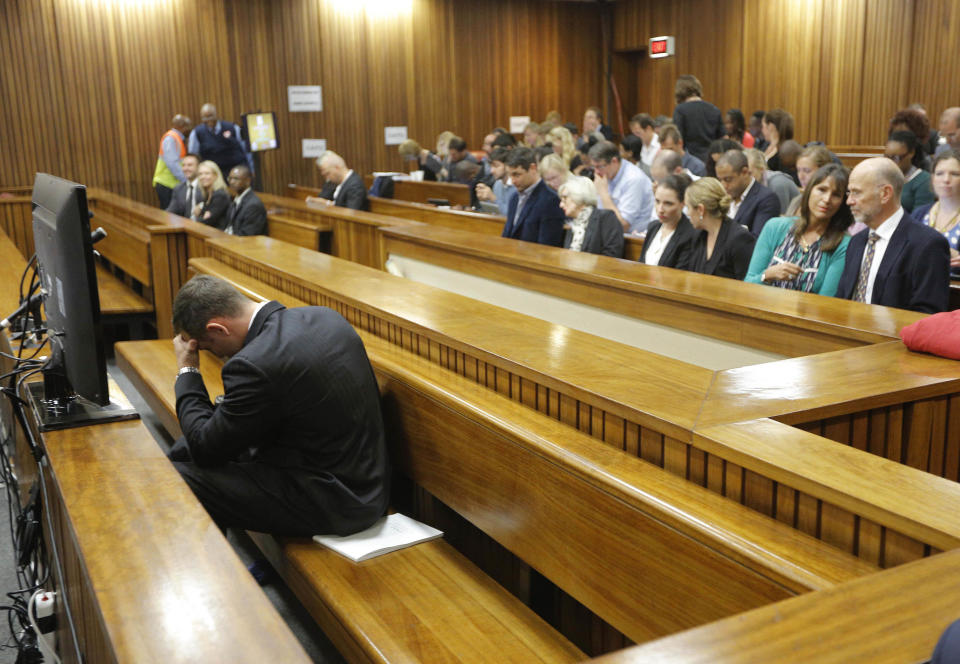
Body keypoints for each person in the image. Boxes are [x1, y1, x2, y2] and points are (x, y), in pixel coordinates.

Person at [168, 274, 390, 536]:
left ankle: (219, 574)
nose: (217, 354)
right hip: (364, 480)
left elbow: (207, 449)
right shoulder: (324, 316)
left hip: (332, 500)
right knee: (186, 448)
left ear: (218, 329)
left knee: (180, 478)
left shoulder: (254, 363)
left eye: (208, 346)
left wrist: (187, 371)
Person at [835, 157, 950, 313]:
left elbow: (928, 313)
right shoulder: (857, 241)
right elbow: (842, 299)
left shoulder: (927, 244)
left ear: (885, 194)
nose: (849, 201)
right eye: (849, 193)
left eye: (856, 192)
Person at [745, 163, 853, 296]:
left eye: (836, 195)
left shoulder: (843, 244)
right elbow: (748, 284)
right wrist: (768, 275)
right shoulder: (774, 227)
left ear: (843, 202)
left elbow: (825, 302)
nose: (827, 199)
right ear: (809, 191)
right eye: (822, 190)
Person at [682, 177, 756, 280]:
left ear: (700, 209)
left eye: (688, 207)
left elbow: (747, 284)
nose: (687, 213)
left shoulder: (739, 239)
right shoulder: (698, 235)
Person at [501, 147, 564, 246]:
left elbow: (547, 246)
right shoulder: (514, 198)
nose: (513, 181)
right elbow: (507, 235)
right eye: (510, 175)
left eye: (517, 175)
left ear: (533, 168)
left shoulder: (550, 200)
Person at [589, 140, 655, 234]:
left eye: (599, 167)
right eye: (593, 167)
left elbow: (622, 225)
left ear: (614, 161)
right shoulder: (606, 175)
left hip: (632, 240)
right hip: (608, 235)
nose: (596, 172)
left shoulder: (633, 179)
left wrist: (603, 194)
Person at [911, 149, 960, 274]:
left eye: (954, 174)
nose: (946, 179)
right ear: (932, 178)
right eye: (939, 174)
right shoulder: (919, 213)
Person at [714, 149, 781, 236]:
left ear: (745, 172)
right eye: (720, 180)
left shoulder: (767, 199)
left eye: (728, 179)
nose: (723, 185)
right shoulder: (721, 196)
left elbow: (758, 241)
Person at [557, 176, 624, 258]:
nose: (561, 205)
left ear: (578, 196)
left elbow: (612, 254)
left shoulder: (606, 218)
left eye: (565, 198)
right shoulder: (574, 224)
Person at [640, 174, 696, 268]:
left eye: (668, 204)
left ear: (683, 203)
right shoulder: (653, 227)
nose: (660, 209)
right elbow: (641, 264)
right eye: (657, 201)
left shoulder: (690, 234)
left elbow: (681, 274)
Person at [188, 103, 252, 180]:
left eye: (210, 116)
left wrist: (251, 168)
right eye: (204, 117)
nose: (208, 120)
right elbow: (194, 155)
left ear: (216, 115)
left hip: (235, 169)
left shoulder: (232, 127)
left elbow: (246, 149)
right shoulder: (197, 132)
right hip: (213, 173)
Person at [671, 75, 724, 164]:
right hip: (712, 162)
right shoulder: (714, 109)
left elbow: (678, 139)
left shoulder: (680, 110)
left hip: (690, 162)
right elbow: (722, 138)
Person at [885, 130, 935, 213]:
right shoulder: (882, 176)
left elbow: (920, 217)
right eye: (887, 157)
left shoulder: (923, 180)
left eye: (896, 158)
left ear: (911, 153)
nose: (890, 162)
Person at [153, 114, 192, 209]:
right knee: (170, 217)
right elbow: (172, 164)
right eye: (188, 126)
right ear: (181, 126)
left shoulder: (177, 138)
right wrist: (186, 181)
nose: (190, 129)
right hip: (167, 183)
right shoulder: (170, 138)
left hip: (172, 183)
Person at [744, 148, 799, 215]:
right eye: (742, 173)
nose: (745, 178)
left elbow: (781, 219)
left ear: (761, 169)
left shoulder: (778, 184)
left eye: (750, 173)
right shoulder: (752, 185)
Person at [224, 165, 267, 236]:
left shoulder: (253, 205)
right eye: (230, 178)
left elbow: (247, 234)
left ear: (248, 181)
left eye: (236, 179)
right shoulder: (236, 199)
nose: (232, 182)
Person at [475, 147, 516, 216]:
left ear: (507, 166)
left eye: (496, 166)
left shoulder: (516, 186)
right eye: (491, 166)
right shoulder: (497, 184)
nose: (492, 171)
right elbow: (493, 212)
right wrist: (484, 199)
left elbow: (512, 215)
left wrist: (493, 198)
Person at [192, 160, 231, 229]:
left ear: (215, 175)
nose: (203, 177)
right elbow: (203, 217)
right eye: (200, 174)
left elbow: (208, 221)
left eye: (207, 173)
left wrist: (200, 216)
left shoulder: (220, 195)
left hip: (219, 236)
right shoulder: (207, 193)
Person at [165, 153, 202, 218]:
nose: (185, 168)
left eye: (190, 165)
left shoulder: (205, 187)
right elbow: (171, 211)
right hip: (184, 225)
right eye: (183, 165)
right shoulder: (179, 188)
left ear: (199, 167)